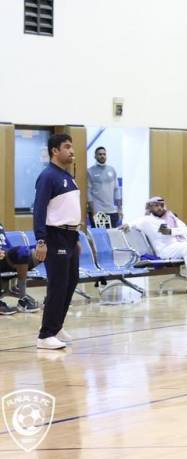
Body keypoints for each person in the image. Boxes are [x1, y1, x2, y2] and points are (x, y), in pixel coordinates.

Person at [33, 133, 82, 350]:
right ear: (55, 151)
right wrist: (41, 240)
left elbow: (69, 210)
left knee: (71, 282)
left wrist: (76, 237)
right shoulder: (48, 176)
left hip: (70, 237)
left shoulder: (68, 176)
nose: (72, 151)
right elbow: (39, 209)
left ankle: (56, 325)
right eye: (67, 147)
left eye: (72, 147)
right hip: (55, 236)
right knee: (58, 285)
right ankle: (45, 335)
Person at [124, 197, 187, 293]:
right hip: (165, 249)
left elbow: (185, 229)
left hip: (181, 243)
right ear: (150, 207)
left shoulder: (171, 217)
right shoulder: (146, 220)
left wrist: (171, 231)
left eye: (161, 205)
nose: (160, 208)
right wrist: (127, 225)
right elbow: (133, 223)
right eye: (156, 206)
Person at [0, 224, 40, 315]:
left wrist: (7, 252)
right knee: (21, 251)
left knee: (44, 248)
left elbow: (8, 246)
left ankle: (23, 298)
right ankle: (22, 296)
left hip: (5, 257)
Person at [87, 146, 121, 227]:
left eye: (104, 154)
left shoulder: (112, 170)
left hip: (112, 211)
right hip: (98, 212)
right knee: (100, 234)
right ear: (95, 156)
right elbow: (88, 192)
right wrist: (93, 211)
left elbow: (116, 189)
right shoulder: (90, 171)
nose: (102, 156)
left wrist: (120, 209)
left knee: (111, 234)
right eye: (100, 154)